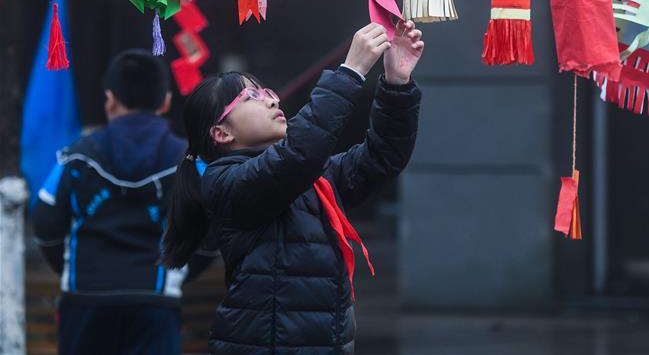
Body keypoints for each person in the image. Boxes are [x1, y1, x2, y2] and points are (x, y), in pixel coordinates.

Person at [162, 21, 424, 354]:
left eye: (268, 92)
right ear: (222, 133)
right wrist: (351, 71)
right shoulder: (224, 181)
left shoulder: (313, 175)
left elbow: (383, 156)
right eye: (252, 97)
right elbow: (297, 156)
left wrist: (396, 83)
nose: (271, 100)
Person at [32, 50, 214, 355]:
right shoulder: (191, 160)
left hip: (84, 301)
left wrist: (72, 268)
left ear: (110, 100)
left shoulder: (75, 156)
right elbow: (211, 230)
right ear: (166, 101)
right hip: (155, 304)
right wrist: (178, 270)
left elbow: (44, 223)